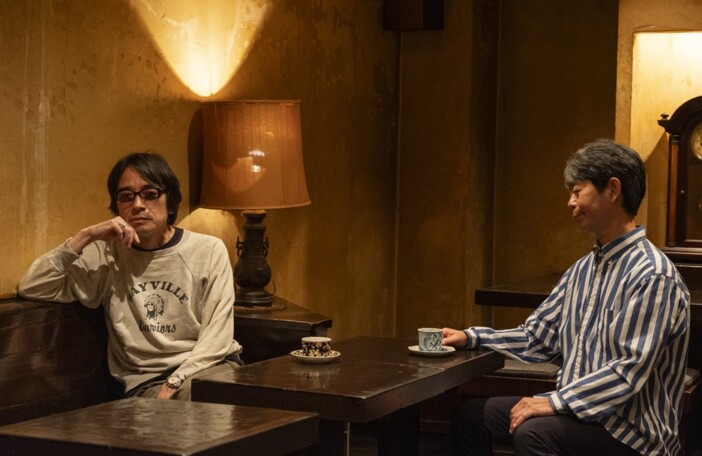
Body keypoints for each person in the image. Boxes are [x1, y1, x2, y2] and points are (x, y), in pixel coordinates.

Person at [444, 139, 690, 455]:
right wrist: (471, 338)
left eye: (577, 191)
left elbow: (627, 372)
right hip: (580, 414)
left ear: (613, 190)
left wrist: (555, 401)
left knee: (534, 433)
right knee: (472, 418)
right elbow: (537, 338)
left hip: (633, 433)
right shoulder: (582, 270)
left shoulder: (652, 274)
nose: (570, 202)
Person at [18, 152, 242, 400]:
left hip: (209, 368)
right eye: (126, 196)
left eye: (150, 194)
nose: (137, 205)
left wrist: (175, 382)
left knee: (212, 394)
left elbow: (217, 339)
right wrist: (86, 236)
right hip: (146, 382)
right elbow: (33, 285)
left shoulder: (208, 250)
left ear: (170, 203)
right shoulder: (106, 255)